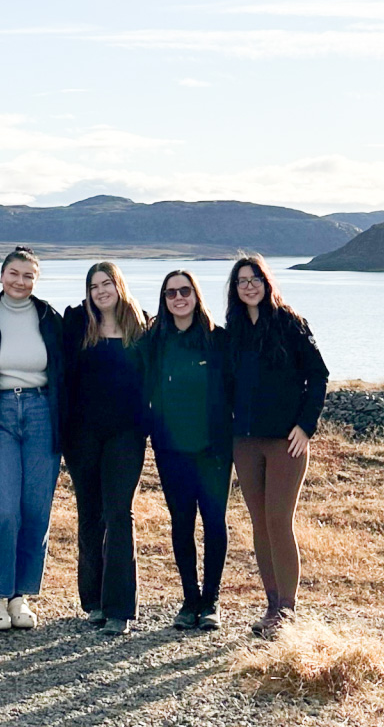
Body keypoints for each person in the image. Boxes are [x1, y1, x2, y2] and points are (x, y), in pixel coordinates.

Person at [0, 246, 66, 632]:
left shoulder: (50, 318)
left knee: (36, 510)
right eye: (14, 274)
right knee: (5, 510)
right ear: (1, 275)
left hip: (42, 414)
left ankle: (21, 594)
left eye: (28, 276)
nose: (20, 282)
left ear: (35, 280)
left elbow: (66, 373)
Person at [226, 255, 330, 636]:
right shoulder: (234, 330)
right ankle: (271, 605)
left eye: (254, 279)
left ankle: (288, 608)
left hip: (286, 442)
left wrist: (306, 427)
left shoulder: (290, 323)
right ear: (235, 290)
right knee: (259, 524)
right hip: (246, 443)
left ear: (267, 283)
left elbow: (318, 376)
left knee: (278, 521)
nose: (249, 286)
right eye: (241, 281)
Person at [142, 269, 233, 631]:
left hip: (213, 448)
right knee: (181, 522)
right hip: (171, 449)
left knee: (214, 521)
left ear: (196, 295)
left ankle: (211, 600)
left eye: (185, 291)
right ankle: (189, 599)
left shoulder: (218, 340)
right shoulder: (155, 341)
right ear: (164, 301)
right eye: (170, 293)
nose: (178, 297)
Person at [62, 262, 148, 636]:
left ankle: (120, 607)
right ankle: (94, 602)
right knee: (90, 514)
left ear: (119, 286)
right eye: (94, 285)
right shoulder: (78, 324)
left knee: (118, 513)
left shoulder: (141, 326)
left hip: (125, 435)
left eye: (106, 283)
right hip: (82, 435)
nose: (100, 291)